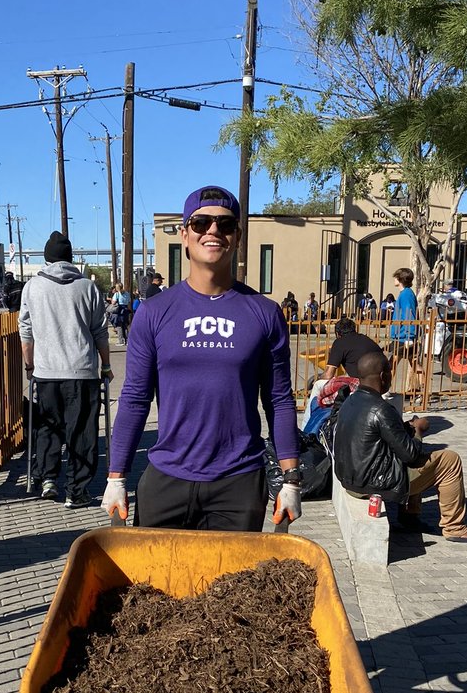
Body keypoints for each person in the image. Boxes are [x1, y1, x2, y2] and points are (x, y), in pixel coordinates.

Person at [102, 185, 300, 532]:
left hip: (238, 482)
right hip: (168, 478)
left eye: (224, 225)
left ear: (236, 236)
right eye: (201, 222)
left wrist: (291, 479)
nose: (213, 231)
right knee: (155, 584)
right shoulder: (154, 312)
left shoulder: (264, 313)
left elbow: (279, 400)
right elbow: (134, 398)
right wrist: (116, 477)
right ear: (184, 233)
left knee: (233, 586)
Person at [331, 349, 467, 544]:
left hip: (351, 479)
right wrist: (418, 431)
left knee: (415, 457)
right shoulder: (381, 409)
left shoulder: (351, 400)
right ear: (383, 376)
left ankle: (410, 517)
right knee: (449, 460)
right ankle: (455, 528)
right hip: (374, 483)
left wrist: (405, 428)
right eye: (390, 373)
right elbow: (412, 456)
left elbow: (380, 438)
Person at [18, 230, 112, 507]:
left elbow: (25, 330)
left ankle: (47, 478)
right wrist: (106, 365)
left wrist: (29, 363)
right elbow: (100, 332)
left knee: (48, 427)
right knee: (82, 431)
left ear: (47, 258)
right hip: (81, 371)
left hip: (46, 372)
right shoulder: (88, 287)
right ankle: (77, 490)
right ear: (70, 259)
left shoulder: (32, 287)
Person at [389, 268, 425, 399]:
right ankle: (424, 391)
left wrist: (410, 335)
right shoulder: (406, 293)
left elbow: (409, 314)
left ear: (399, 279)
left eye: (395, 277)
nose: (394, 280)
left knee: (391, 364)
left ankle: (384, 389)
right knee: (415, 363)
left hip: (403, 336)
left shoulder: (406, 295)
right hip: (403, 335)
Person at [322, 316, 383, 381]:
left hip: (362, 384)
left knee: (318, 385)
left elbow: (328, 375)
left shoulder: (339, 342)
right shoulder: (366, 339)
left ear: (337, 334)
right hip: (380, 382)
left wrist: (318, 380)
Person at [110, 280, 131, 346]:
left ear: (117, 288)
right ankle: (127, 340)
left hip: (119, 310)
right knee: (125, 325)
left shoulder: (117, 294)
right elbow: (129, 301)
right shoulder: (127, 293)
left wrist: (113, 301)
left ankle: (121, 340)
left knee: (119, 326)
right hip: (125, 309)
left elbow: (113, 302)